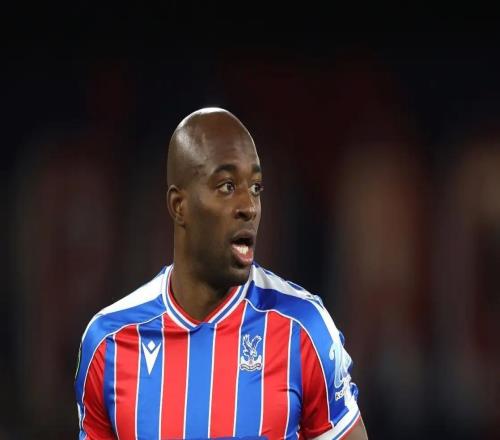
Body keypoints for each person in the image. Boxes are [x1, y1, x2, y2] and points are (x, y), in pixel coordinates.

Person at [74, 108, 368, 440]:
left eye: (255, 188)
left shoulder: (301, 329)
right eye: (227, 186)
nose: (249, 207)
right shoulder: (109, 342)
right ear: (179, 205)